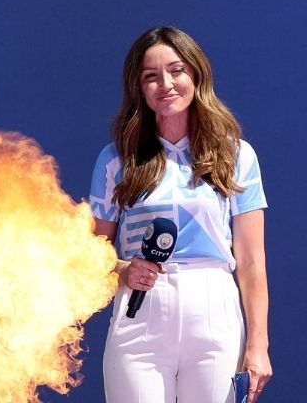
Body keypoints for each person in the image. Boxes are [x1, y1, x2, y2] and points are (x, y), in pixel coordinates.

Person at [88, 26, 270, 402]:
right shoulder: (115, 159)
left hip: (214, 308)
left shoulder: (236, 155)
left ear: (196, 74)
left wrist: (258, 344)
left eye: (177, 70)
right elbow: (91, 252)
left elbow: (251, 260)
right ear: (138, 88)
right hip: (141, 310)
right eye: (151, 77)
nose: (166, 84)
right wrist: (123, 270)